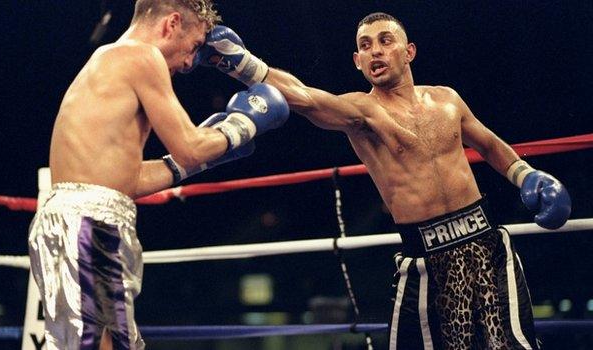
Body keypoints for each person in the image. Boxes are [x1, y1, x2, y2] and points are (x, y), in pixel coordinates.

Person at [192, 12, 571, 350]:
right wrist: (241, 63)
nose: (375, 51)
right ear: (357, 62)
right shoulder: (362, 111)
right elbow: (305, 98)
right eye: (365, 46)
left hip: (487, 242)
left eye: (385, 41)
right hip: (426, 257)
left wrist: (527, 174)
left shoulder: (447, 99)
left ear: (409, 52)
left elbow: (488, 144)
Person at [27, 0, 290, 348]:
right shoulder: (141, 56)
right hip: (88, 223)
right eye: (194, 46)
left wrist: (203, 158)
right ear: (171, 23)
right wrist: (242, 125)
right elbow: (190, 147)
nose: (187, 63)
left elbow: (128, 180)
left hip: (85, 215)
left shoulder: (113, 62)